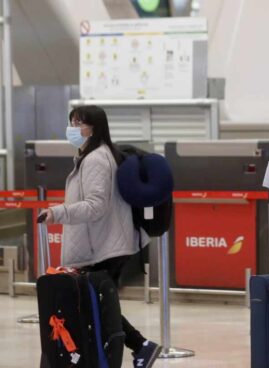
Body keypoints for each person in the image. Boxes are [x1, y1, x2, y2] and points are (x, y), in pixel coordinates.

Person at [40, 106, 161, 368]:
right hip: (103, 243)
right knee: (100, 301)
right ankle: (140, 347)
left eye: (79, 122)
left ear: (95, 127)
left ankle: (131, 349)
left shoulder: (96, 159)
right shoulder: (91, 155)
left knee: (98, 302)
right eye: (71, 120)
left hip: (104, 246)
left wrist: (57, 213)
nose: (73, 127)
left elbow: (96, 206)